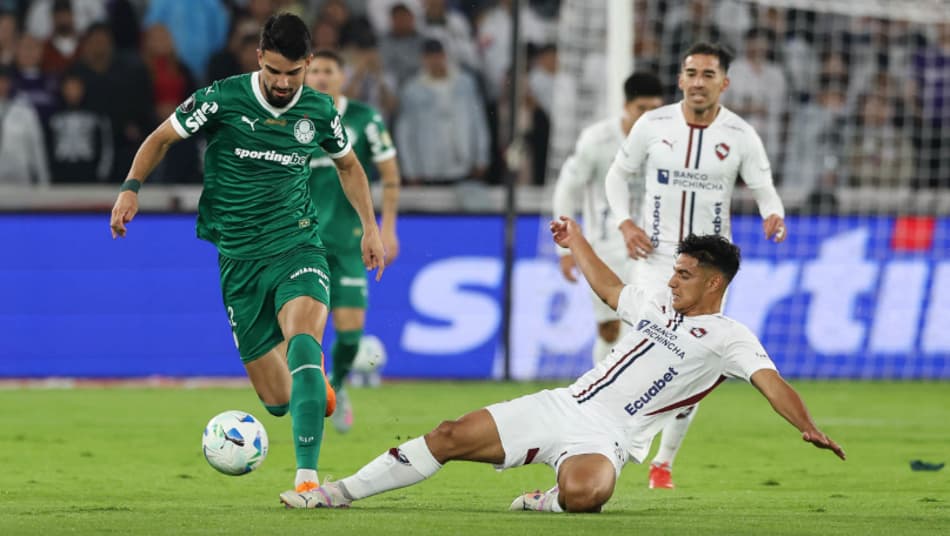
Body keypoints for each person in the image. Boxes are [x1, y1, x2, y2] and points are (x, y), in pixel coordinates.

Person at [279, 228, 845, 512]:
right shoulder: (656, 304)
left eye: (685, 274)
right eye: (674, 271)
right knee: (448, 435)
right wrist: (576, 243)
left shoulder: (729, 338)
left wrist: (806, 425)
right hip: (565, 405)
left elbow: (772, 383)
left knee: (585, 496)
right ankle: (336, 492)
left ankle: (543, 499)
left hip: (610, 438)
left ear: (714, 283)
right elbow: (610, 288)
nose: (673, 281)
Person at [108, 13, 386, 501]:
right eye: (273, 70)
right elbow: (161, 138)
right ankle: (311, 387)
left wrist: (370, 226)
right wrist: (131, 188)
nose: (283, 83)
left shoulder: (319, 111)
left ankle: (307, 480)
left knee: (304, 341)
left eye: (293, 73)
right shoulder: (222, 98)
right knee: (277, 400)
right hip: (238, 259)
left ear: (307, 64)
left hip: (298, 243)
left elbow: (349, 166)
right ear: (259, 58)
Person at [604, 42, 787, 489]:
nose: (698, 82)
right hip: (656, 257)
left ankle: (663, 461)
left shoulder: (740, 134)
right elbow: (617, 175)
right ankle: (611, 443)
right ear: (680, 79)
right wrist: (625, 222)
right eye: (691, 73)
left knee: (696, 360)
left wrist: (773, 213)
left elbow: (763, 186)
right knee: (638, 348)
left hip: (710, 268)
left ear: (724, 82)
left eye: (708, 74)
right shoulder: (653, 124)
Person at [305, 49, 401, 434]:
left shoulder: (364, 119)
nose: (321, 77)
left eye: (328, 70)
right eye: (314, 70)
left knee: (349, 334)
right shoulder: (293, 118)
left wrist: (387, 228)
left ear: (342, 76)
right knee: (306, 331)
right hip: (302, 241)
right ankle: (311, 394)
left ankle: (338, 385)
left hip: (348, 243)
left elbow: (390, 176)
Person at [552, 72, 663, 365]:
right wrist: (565, 251)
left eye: (654, 109)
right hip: (605, 248)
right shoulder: (597, 140)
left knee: (648, 328)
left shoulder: (668, 141)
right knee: (610, 329)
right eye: (641, 108)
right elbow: (567, 190)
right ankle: (601, 387)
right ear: (626, 106)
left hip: (652, 249)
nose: (647, 116)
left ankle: (637, 388)